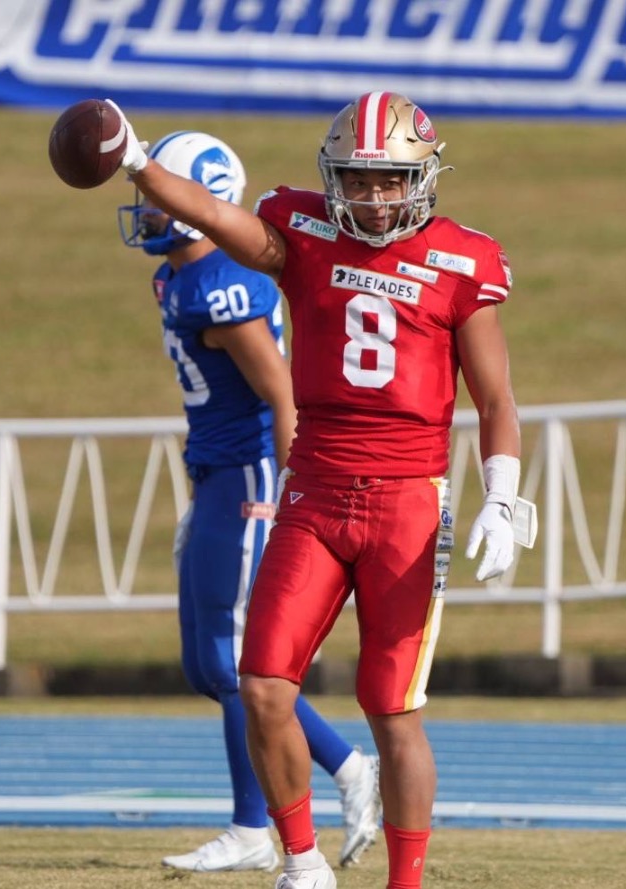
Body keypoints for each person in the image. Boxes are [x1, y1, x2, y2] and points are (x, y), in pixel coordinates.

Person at [101, 92, 524, 889]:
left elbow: (496, 401)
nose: (373, 198)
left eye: (390, 180)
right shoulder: (300, 233)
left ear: (422, 177)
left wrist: (501, 498)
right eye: (357, 181)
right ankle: (301, 863)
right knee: (261, 679)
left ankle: (407, 881)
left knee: (391, 708)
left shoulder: (462, 260)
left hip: (406, 500)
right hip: (317, 491)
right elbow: (214, 215)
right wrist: (136, 164)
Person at [116, 130, 382, 873]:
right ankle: (321, 782)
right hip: (219, 473)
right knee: (209, 666)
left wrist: (294, 485)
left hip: (254, 476)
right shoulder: (178, 276)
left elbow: (280, 390)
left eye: (164, 196)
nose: (149, 210)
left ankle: (283, 808)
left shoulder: (222, 281)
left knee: (237, 661)